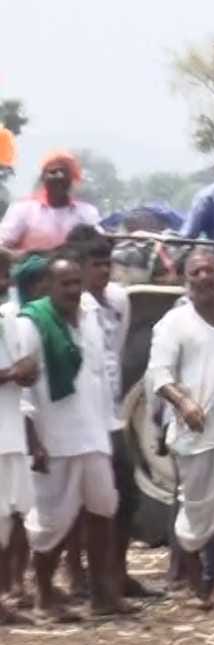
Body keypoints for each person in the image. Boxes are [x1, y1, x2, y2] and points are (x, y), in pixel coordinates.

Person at [16, 254, 136, 620]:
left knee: (103, 510)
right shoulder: (31, 324)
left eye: (75, 283)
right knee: (50, 522)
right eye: (64, 283)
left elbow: (99, 377)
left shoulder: (90, 319)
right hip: (54, 441)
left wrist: (109, 428)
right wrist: (34, 442)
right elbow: (23, 392)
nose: (71, 290)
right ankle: (45, 596)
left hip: (94, 435)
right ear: (47, 287)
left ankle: (102, 595)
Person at [147, 249, 214, 608]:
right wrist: (183, 403)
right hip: (198, 432)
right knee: (195, 512)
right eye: (196, 272)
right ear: (186, 279)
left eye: (210, 270)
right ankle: (196, 583)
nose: (204, 277)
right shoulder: (174, 322)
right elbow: (159, 374)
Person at [65, 226, 157, 599]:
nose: (103, 271)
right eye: (96, 264)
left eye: (107, 263)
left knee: (123, 494)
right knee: (75, 499)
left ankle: (115, 572)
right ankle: (77, 573)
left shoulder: (119, 300)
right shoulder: (70, 307)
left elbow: (113, 356)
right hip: (79, 416)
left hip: (111, 413)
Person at [0, 250, 39, 624]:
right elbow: (14, 371)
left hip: (11, 430)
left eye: (5, 273)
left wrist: (26, 371)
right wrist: (15, 372)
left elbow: (25, 373)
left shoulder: (9, 321)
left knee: (11, 517)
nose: (3, 281)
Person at [0, 151, 101, 254]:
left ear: (72, 179)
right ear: (43, 178)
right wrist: (26, 257)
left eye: (65, 172)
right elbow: (2, 246)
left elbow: (100, 243)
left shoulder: (87, 212)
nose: (60, 176)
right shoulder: (23, 209)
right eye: (53, 172)